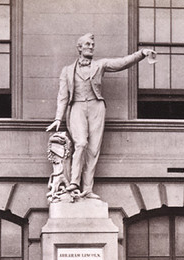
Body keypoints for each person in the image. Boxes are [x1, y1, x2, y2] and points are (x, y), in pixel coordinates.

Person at [47, 33, 156, 199]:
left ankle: (88, 189)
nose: (91, 47)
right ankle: (74, 182)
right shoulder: (67, 70)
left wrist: (141, 53)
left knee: (93, 149)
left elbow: (122, 63)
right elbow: (62, 96)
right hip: (76, 107)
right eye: (88, 44)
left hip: (96, 106)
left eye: (93, 45)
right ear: (79, 47)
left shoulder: (100, 65)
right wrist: (57, 118)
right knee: (81, 143)